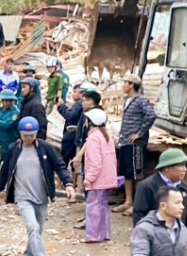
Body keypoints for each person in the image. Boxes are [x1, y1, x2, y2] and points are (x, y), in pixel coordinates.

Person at [0, 118, 75, 256]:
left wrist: (69, 184)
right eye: (25, 135)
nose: (28, 138)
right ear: (20, 134)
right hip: (23, 197)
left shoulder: (45, 148)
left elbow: (59, 165)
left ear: (36, 133)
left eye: (31, 135)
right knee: (32, 227)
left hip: (41, 196)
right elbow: (5, 171)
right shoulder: (13, 149)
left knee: (37, 230)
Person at [133, 148, 187, 256]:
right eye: (180, 165)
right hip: (156, 243)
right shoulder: (147, 187)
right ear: (167, 168)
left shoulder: (184, 188)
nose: (185, 169)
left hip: (177, 242)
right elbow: (139, 216)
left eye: (185, 165)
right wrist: (143, 244)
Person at [115, 75, 156, 214]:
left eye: (125, 83)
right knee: (127, 172)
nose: (123, 85)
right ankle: (128, 201)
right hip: (126, 141)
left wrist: (140, 133)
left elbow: (151, 115)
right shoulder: (127, 100)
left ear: (132, 85)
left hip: (136, 143)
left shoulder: (141, 100)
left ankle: (138, 203)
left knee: (137, 172)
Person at [81, 108, 118, 244]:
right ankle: (104, 233)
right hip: (108, 177)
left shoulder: (93, 138)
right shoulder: (106, 136)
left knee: (93, 208)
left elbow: (95, 163)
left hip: (98, 179)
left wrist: (88, 178)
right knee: (103, 206)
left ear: (90, 122)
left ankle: (94, 235)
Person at [57, 84, 85, 165]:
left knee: (64, 157)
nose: (73, 94)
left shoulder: (79, 104)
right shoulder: (78, 104)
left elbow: (70, 116)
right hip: (75, 134)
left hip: (72, 134)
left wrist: (62, 106)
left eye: (75, 92)